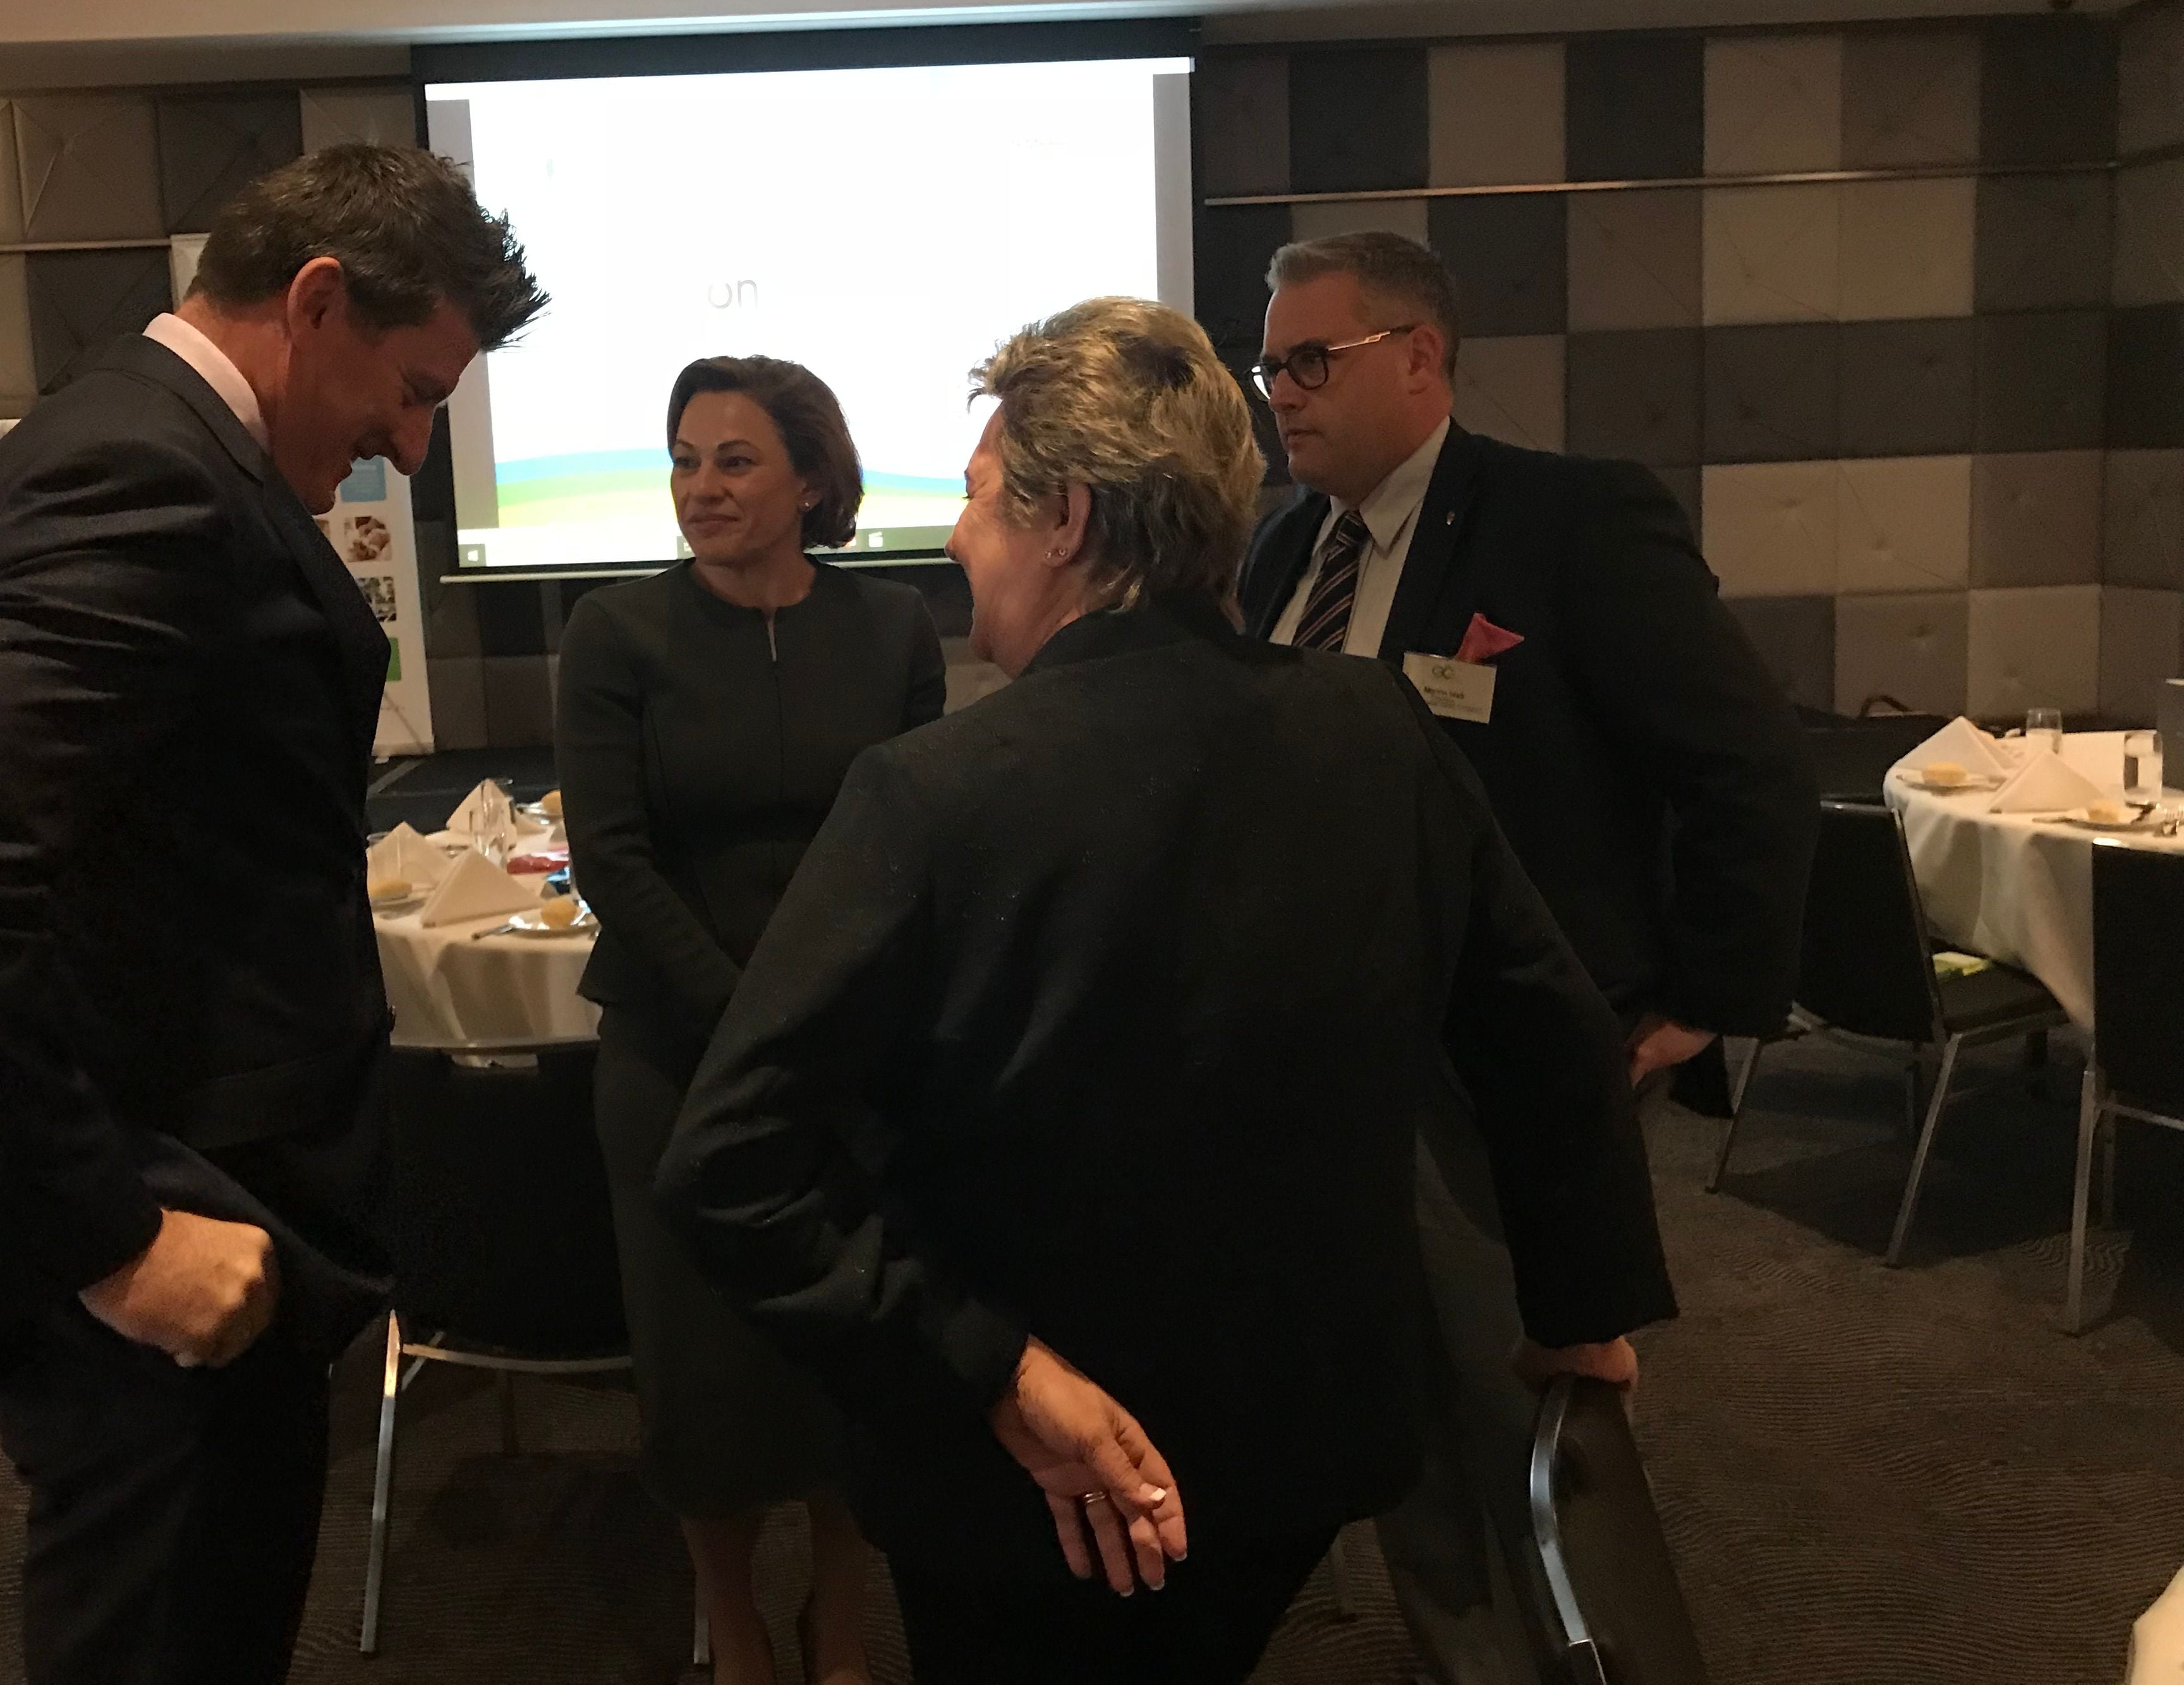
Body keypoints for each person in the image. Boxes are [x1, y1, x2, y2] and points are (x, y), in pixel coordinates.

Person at [653, 297, 1675, 1685]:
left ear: (1065, 520)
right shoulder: (1378, 731)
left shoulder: (933, 793)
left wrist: (993, 1368)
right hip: (1299, 1442)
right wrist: (1580, 1314)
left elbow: (728, 1168)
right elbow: (1547, 1039)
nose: (955, 538)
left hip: (1018, 1480)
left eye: (978, 499)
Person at [0, 143, 545, 1685]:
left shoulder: (136, 443)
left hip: (208, 1220)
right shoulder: (145, 475)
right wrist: (115, 1241)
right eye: (415, 391)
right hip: (163, 1258)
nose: (414, 448)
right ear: (317, 301)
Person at [1235, 231, 1815, 1683]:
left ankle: (1597, 1660)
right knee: (1397, 1398)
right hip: (1342, 1049)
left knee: (1526, 1403)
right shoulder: (1285, 551)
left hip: (1518, 1049)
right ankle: (1465, 1659)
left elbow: (1748, 765)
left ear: (1419, 357)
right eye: (1270, 367)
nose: (1282, 395)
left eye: (1312, 362)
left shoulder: (1566, 522)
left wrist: (1704, 1001)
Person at [559, 355, 945, 1685]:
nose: (700, 487)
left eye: (734, 460)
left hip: (852, 1060)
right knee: (701, 1377)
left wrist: (829, 1029)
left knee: (849, 1356)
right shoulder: (616, 633)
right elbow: (612, 861)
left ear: (814, 482)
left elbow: (913, 843)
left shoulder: (892, 628)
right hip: (677, 1056)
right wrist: (752, 1025)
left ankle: (840, 1615)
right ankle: (732, 1623)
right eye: (684, 460)